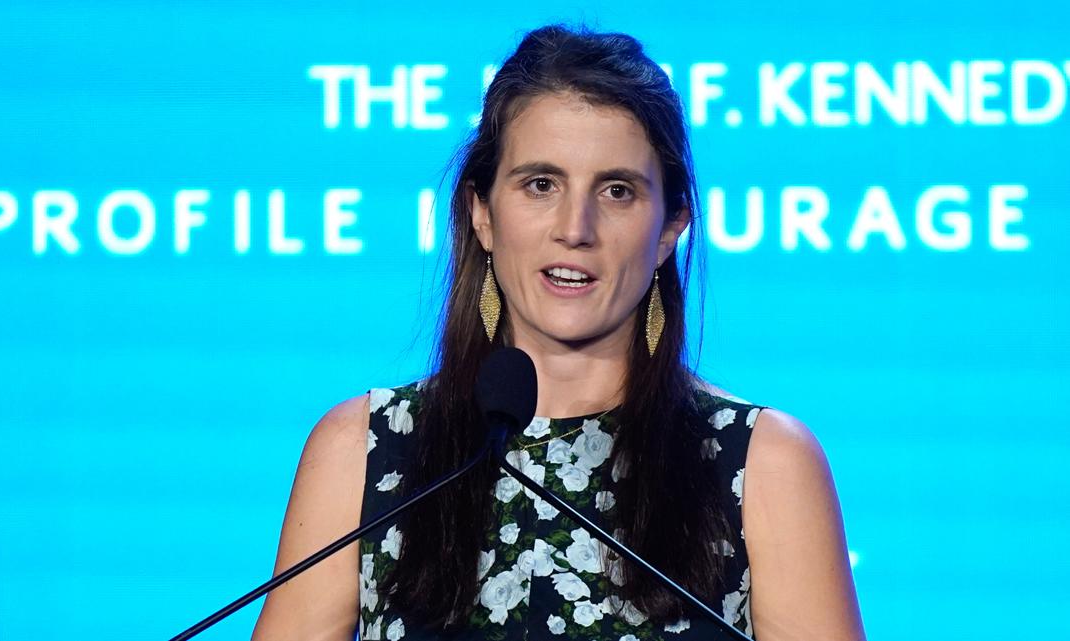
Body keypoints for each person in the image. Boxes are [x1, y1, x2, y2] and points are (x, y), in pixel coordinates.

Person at [251, 24, 865, 641]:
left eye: (617, 191)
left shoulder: (765, 463)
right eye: (541, 185)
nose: (576, 228)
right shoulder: (363, 449)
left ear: (670, 227)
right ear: (482, 213)